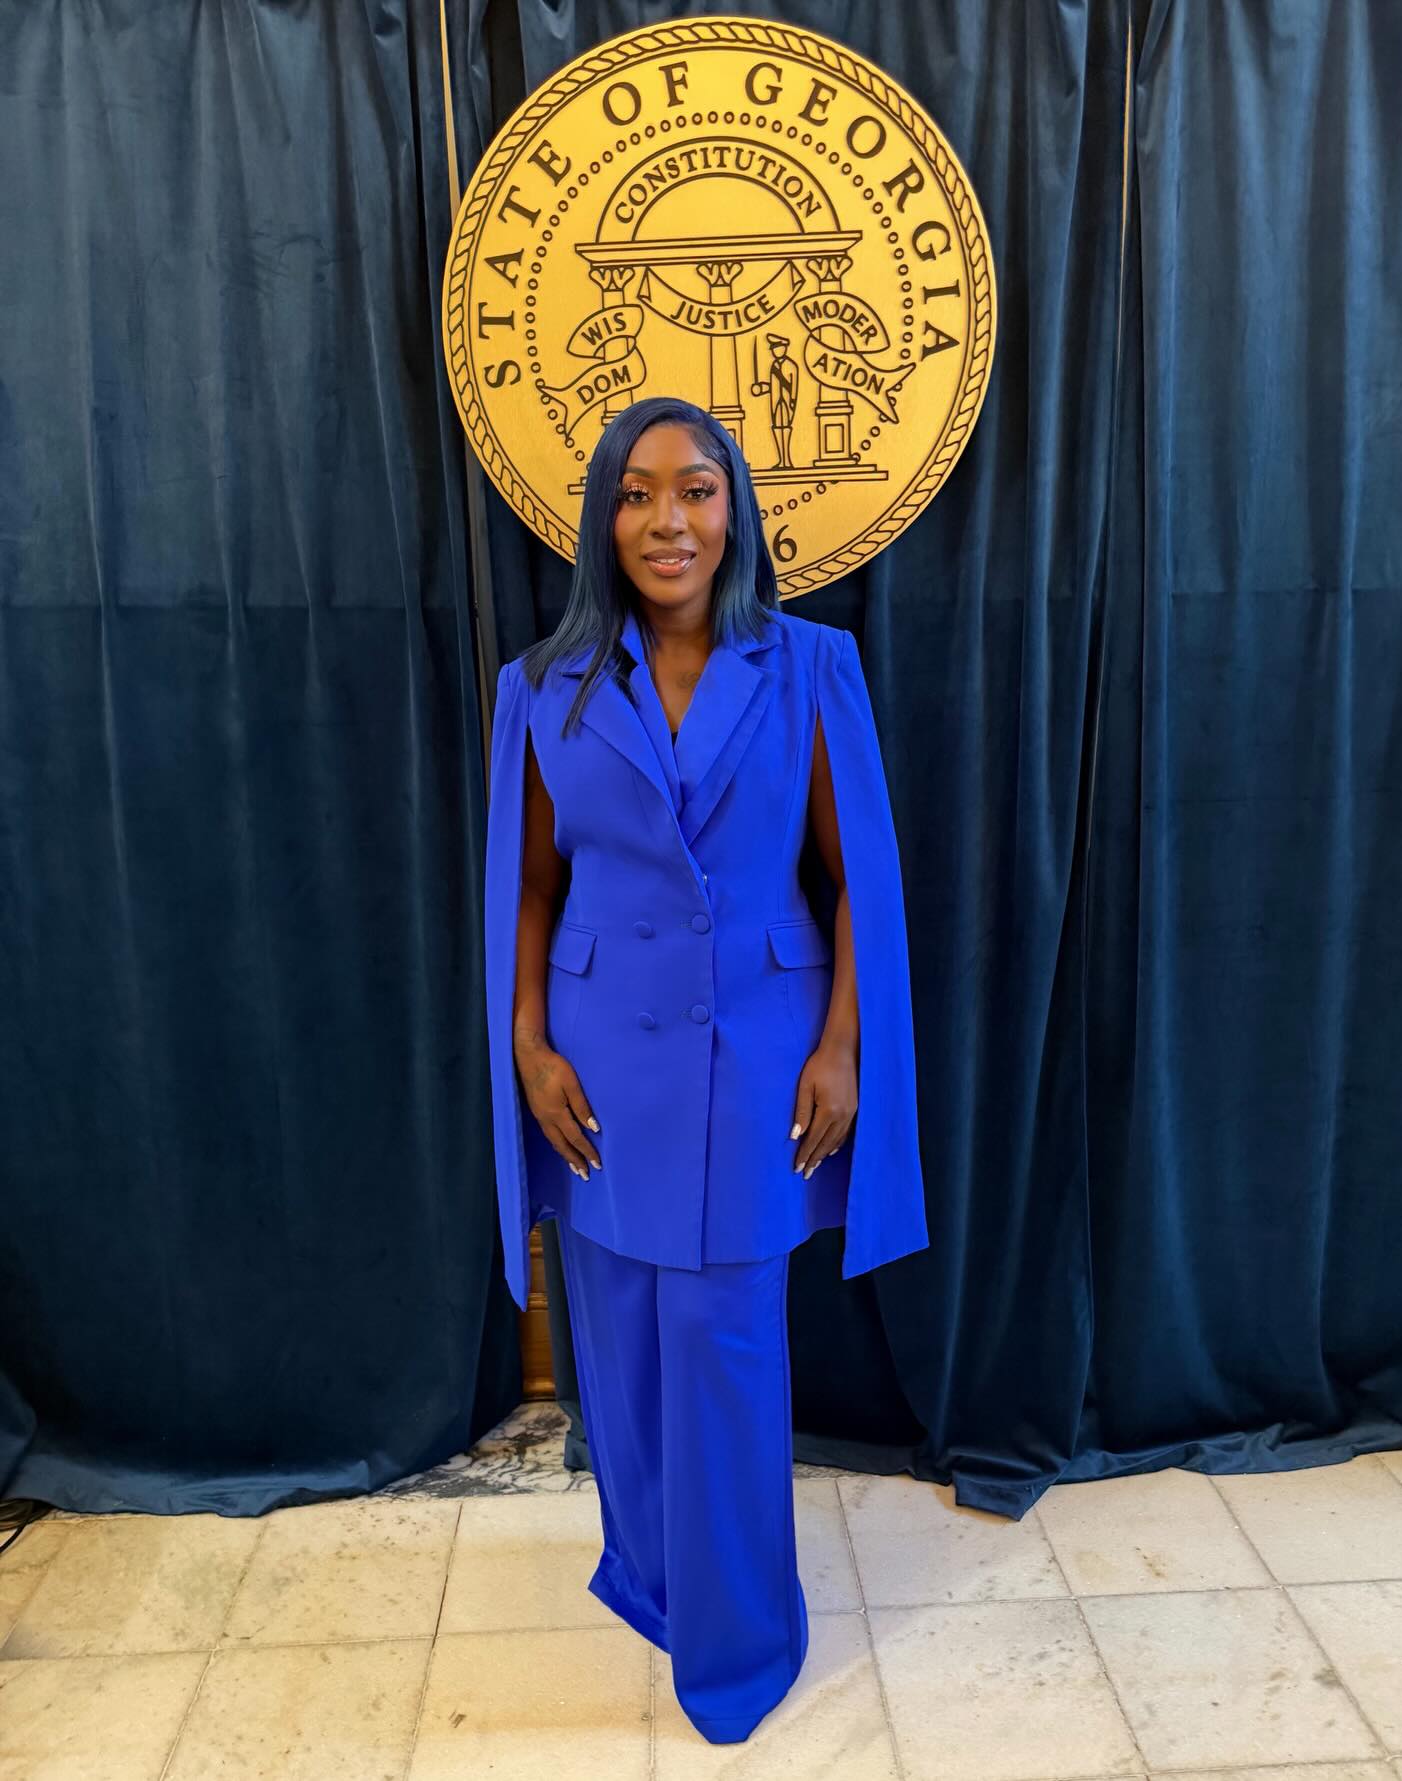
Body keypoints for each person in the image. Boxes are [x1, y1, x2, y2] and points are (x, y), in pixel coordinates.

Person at [483, 394, 928, 1742]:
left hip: (762, 1057)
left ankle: (741, 1641)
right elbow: (533, 887)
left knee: (728, 1348)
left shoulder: (811, 668)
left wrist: (844, 1042)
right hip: (602, 1061)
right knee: (616, 1345)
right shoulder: (540, 687)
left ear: (734, 512)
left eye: (694, 491)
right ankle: (655, 1578)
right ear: (601, 520)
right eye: (635, 493)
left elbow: (856, 883)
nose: (666, 519)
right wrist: (527, 1040)